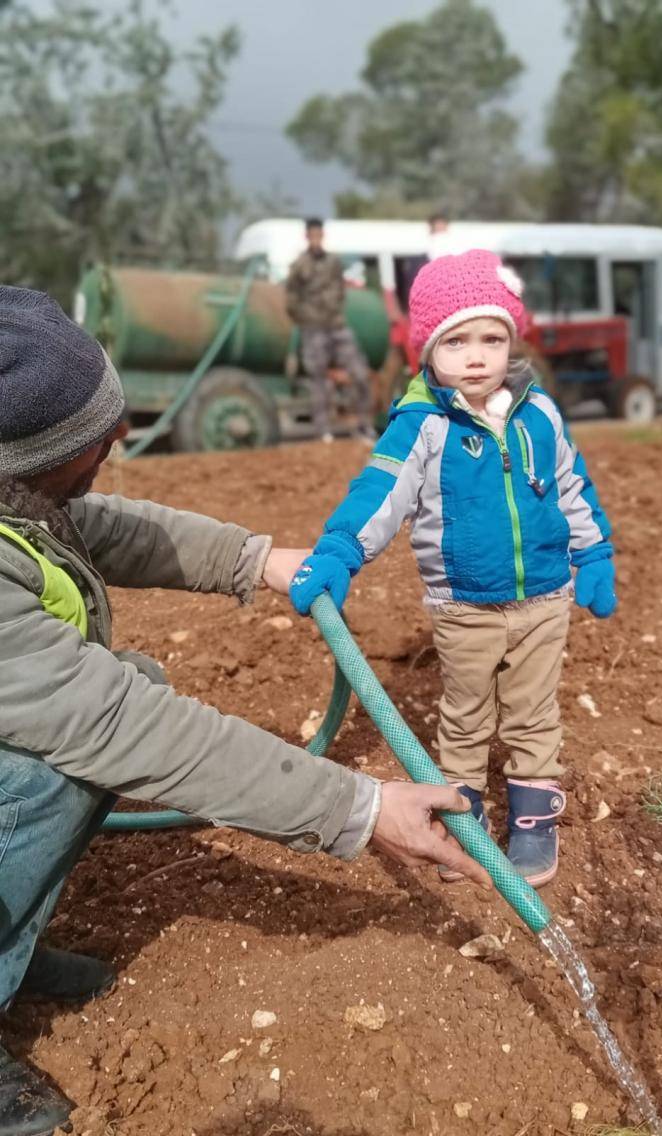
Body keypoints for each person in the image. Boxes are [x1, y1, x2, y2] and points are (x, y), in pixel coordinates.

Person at [0, 286, 488, 1136]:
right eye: (93, 444)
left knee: (121, 696)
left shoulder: (19, 500)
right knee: (56, 766)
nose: (118, 445)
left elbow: (98, 527)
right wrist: (363, 808)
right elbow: (119, 728)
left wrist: (258, 561)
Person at [289, 249, 616, 891]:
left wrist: (594, 552)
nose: (476, 355)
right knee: (466, 713)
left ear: (511, 343)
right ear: (427, 350)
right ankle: (463, 819)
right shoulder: (425, 425)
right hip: (463, 603)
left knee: (532, 712)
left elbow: (571, 486)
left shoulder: (539, 414)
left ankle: (533, 821)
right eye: (456, 340)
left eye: (492, 338)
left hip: (545, 598)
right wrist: (338, 552)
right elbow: (379, 494)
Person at [285, 218, 374, 444]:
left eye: (319, 234)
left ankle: (363, 424)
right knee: (318, 380)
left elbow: (340, 290)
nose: (316, 239)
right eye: (312, 234)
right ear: (307, 236)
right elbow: (291, 299)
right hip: (313, 327)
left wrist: (335, 309)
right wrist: (305, 318)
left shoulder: (333, 262)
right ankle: (323, 430)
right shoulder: (299, 265)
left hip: (336, 325)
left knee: (360, 374)